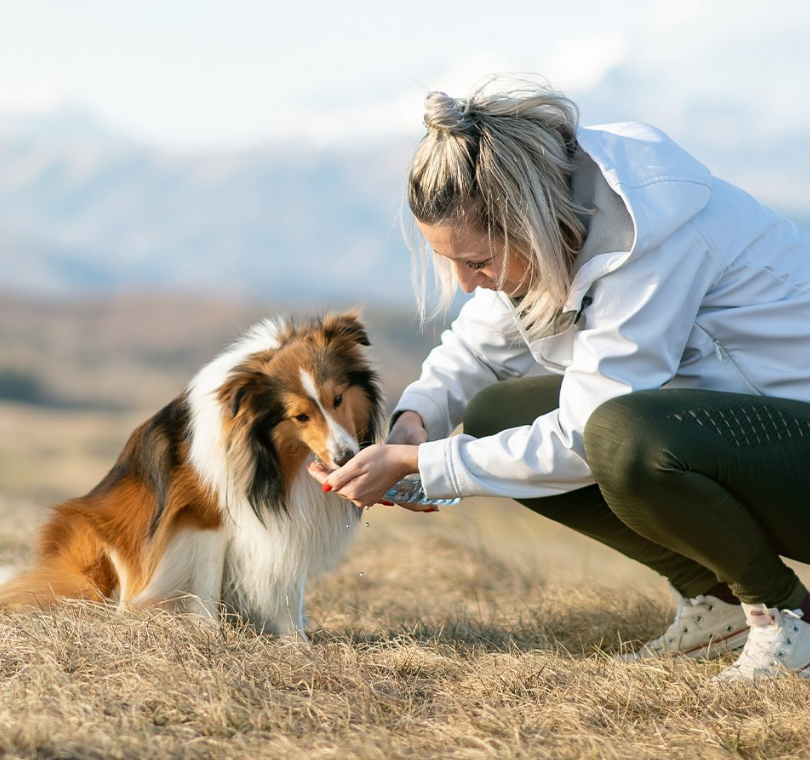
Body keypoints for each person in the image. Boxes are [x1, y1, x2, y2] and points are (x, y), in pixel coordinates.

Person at [307, 77, 810, 681]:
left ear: (529, 220)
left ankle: (785, 615)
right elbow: (477, 348)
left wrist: (423, 467)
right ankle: (719, 600)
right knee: (498, 412)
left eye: (476, 261)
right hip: (754, 443)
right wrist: (414, 423)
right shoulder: (558, 204)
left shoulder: (650, 240)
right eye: (452, 263)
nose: (467, 284)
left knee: (625, 436)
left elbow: (581, 440)